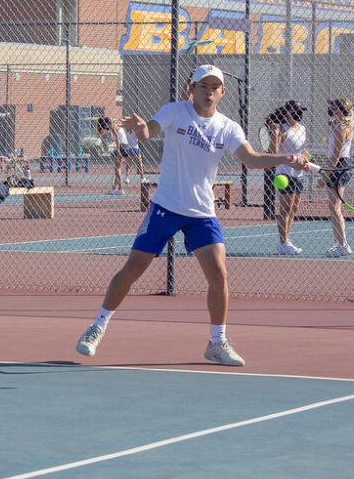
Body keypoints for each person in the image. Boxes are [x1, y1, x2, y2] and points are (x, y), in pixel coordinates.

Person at [76, 64, 311, 366]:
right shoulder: (175, 111)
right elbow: (148, 131)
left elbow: (251, 159)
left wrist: (288, 159)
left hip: (201, 212)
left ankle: (217, 342)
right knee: (133, 269)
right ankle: (97, 327)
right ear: (191, 88)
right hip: (166, 206)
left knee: (219, 275)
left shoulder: (228, 127)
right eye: (202, 86)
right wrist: (140, 129)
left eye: (214, 87)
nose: (208, 92)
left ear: (222, 92)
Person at [265, 100, 310, 255]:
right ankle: (283, 242)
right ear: (287, 113)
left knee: (293, 209)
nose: (299, 114)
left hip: (299, 174)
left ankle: (287, 240)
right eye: (295, 111)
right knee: (285, 209)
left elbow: (303, 151)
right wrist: (275, 135)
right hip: (285, 174)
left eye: (300, 111)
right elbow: (273, 153)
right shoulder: (281, 130)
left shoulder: (303, 128)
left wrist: (310, 161)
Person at [322, 98, 354, 257]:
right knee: (333, 208)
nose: (332, 110)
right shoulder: (339, 125)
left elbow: (336, 154)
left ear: (342, 110)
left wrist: (325, 175)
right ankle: (339, 242)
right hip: (340, 165)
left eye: (336, 108)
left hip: (339, 166)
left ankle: (343, 244)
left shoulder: (341, 128)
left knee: (335, 208)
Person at [96, 116, 124, 195]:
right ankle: (114, 188)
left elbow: (118, 137)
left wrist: (118, 150)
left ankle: (120, 188)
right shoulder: (114, 125)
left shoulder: (112, 125)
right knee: (117, 168)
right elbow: (115, 136)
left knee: (117, 168)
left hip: (122, 146)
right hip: (123, 145)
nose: (106, 130)